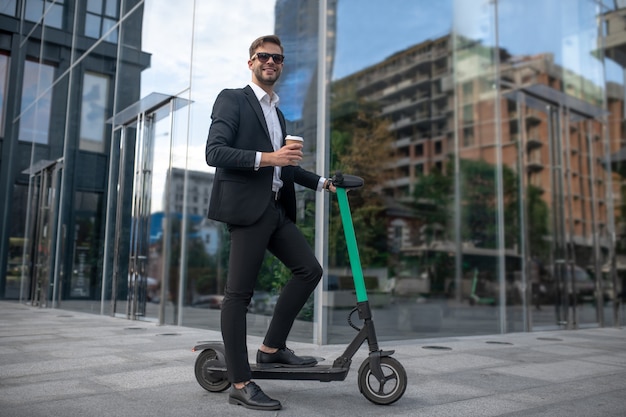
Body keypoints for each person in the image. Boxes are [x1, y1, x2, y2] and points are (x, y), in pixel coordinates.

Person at [205, 35, 336, 411]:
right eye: (264, 56)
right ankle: (240, 382)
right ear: (251, 62)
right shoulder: (233, 99)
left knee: (309, 270)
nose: (271, 62)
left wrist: (324, 183)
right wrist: (269, 157)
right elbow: (214, 152)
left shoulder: (278, 114)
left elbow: (287, 166)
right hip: (247, 210)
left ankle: (271, 348)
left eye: (277, 58)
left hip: (276, 209)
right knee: (238, 295)